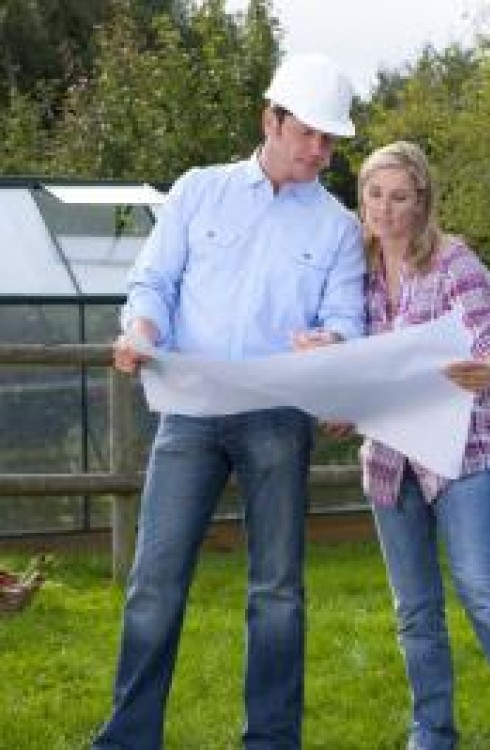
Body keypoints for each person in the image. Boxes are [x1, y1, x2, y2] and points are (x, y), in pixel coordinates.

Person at [93, 53, 366, 750]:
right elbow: (154, 283)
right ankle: (128, 740)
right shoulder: (198, 191)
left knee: (277, 590)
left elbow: (346, 319)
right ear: (270, 120)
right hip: (189, 411)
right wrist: (141, 330)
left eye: (330, 139)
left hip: (277, 417)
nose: (321, 150)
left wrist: (331, 340)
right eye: (308, 133)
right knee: (154, 581)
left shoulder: (336, 226)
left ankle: (271, 741)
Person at [355, 141, 490, 750]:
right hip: (389, 458)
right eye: (375, 194)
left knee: (481, 590)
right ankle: (432, 732)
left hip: (462, 454)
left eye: (400, 197)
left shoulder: (456, 263)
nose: (386, 209)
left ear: (422, 201)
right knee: (415, 612)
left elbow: (487, 339)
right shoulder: (356, 270)